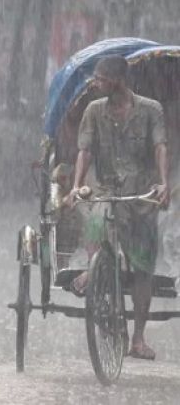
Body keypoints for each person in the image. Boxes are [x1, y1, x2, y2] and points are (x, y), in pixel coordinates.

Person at [64, 55, 169, 361]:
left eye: (100, 79)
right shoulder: (94, 111)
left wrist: (163, 183)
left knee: (142, 269)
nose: (95, 84)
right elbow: (84, 151)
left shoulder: (151, 110)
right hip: (106, 189)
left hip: (140, 195)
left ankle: (138, 339)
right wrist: (76, 185)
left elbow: (160, 146)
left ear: (118, 81)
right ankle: (94, 266)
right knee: (95, 219)